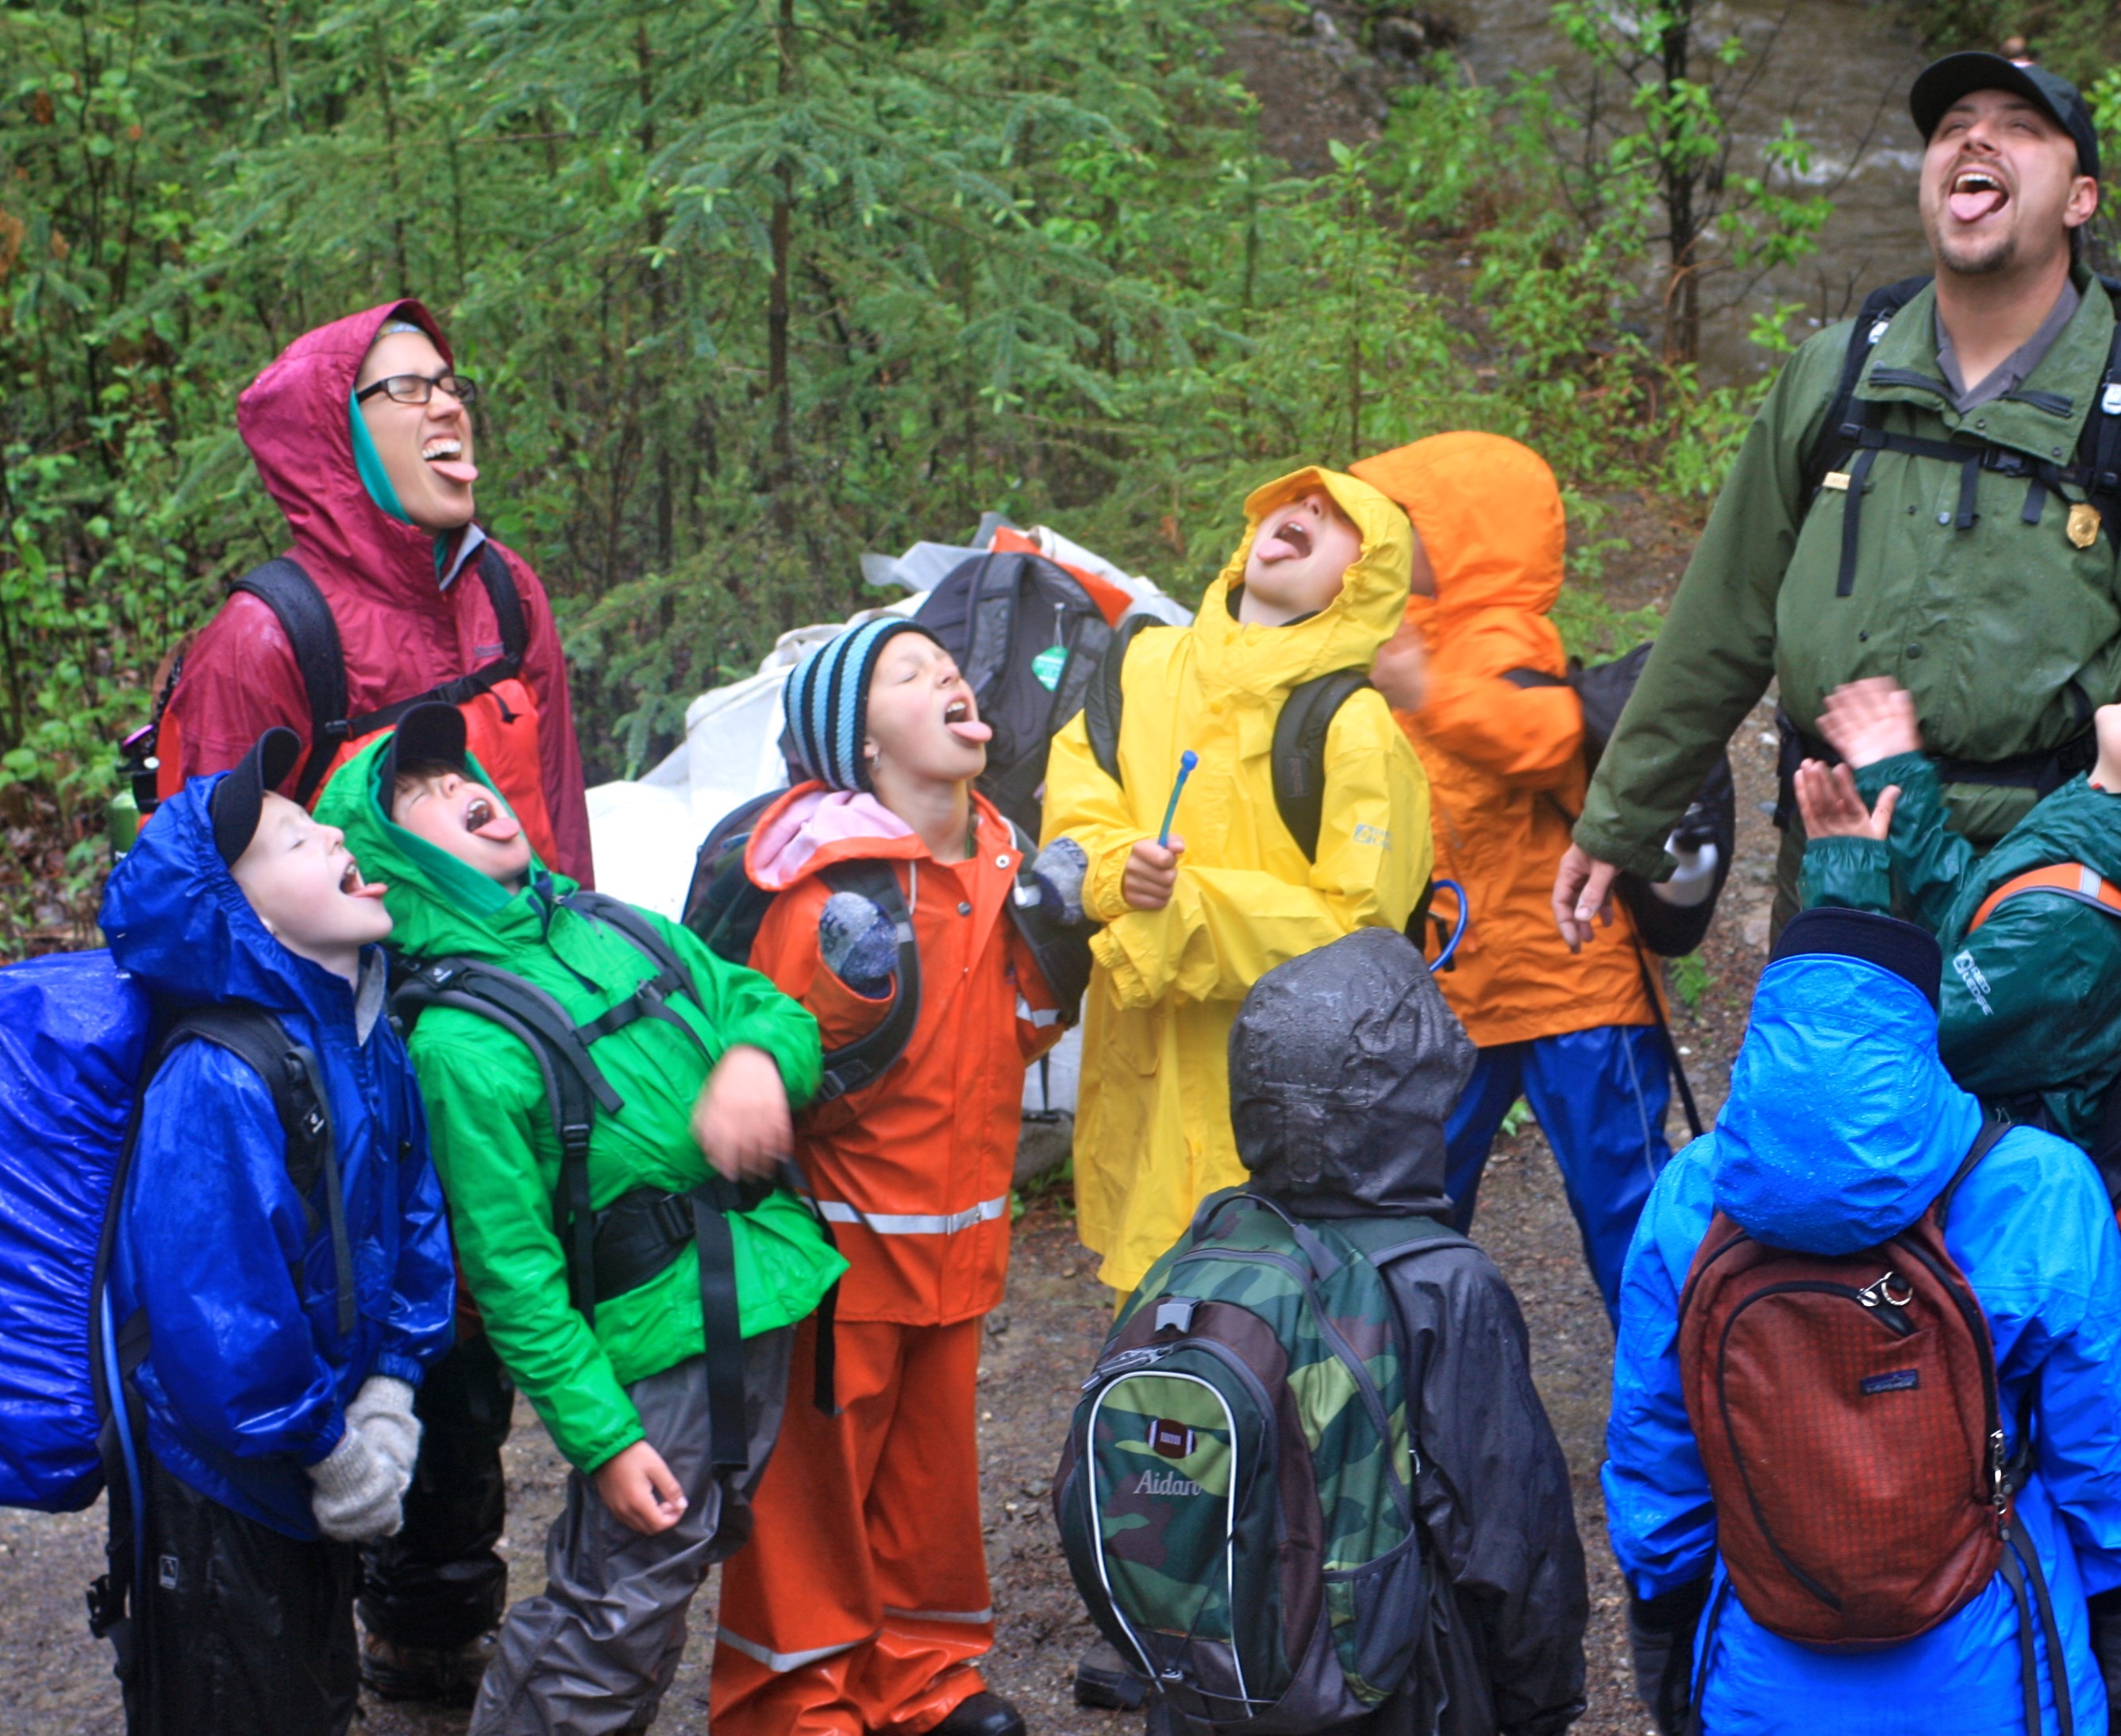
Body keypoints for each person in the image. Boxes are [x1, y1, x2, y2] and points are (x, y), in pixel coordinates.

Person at [1557, 51, 2121, 949]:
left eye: (2020, 127)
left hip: (2037, 906)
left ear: (2080, 198)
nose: (1976, 137)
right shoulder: (1835, 375)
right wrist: (1621, 819)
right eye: (1954, 124)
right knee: (1821, 1091)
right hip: (1831, 868)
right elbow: (1721, 620)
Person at [153, 299, 592, 1703]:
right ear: (335, 435)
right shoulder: (262, 638)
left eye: (452, 381)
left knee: (473, 1360)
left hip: (498, 1052)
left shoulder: (505, 594)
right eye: (404, 390)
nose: (447, 408)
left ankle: (432, 1639)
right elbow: (203, 886)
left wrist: (573, 999)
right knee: (350, 1356)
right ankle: (293, 1651)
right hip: (336, 1079)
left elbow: (556, 824)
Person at [319, 704, 842, 1736]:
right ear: (393, 860)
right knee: (621, 1601)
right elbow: (512, 1275)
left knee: (668, 1570)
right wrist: (603, 1438)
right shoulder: (460, 1045)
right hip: (657, 1342)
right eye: (417, 796)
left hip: (765, 1281)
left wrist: (753, 1060)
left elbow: (765, 1004)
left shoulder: (616, 925)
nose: (460, 789)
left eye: (456, 771)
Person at [1604, 907, 2121, 1736]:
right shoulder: (2039, 1185)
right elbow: (2105, 1464)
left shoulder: (1693, 1195)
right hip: (1997, 1671)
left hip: (1761, 1672)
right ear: (1920, 1036)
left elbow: (1658, 1455)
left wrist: (1663, 1643)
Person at [707, 620, 1066, 1736]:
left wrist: (1082, 933)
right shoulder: (829, 894)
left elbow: (1014, 1032)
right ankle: (794, 1701)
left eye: (948, 662)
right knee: (812, 1501)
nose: (948, 673)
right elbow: (764, 1034)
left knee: (930, 1488)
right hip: (838, 1257)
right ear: (858, 745)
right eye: (909, 673)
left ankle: (925, 1680)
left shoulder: (999, 858)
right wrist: (755, 1063)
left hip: (956, 1249)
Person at [96, 727, 456, 1736]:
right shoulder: (215, 1078)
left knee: (313, 1686)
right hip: (226, 1485)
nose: (335, 832)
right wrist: (331, 1451)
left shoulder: (364, 1037)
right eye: (294, 840)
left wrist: (392, 1385)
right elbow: (220, 1318)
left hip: (317, 1455)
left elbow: (415, 1217)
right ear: (237, 915)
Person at [1042, 467, 1435, 1293]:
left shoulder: (1354, 729)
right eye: (1295, 502)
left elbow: (1360, 940)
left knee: (1264, 1355)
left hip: (1280, 1119)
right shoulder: (1140, 666)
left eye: (1335, 519)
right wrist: (1120, 873)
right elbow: (1077, 803)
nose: (1306, 509)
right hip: (1143, 1099)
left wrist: (1183, 912)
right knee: (1145, 1358)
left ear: (1361, 581)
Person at [1226, 928, 1596, 1734]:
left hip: (1219, 1687)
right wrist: (1543, 1708)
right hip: (1399, 1694)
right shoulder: (1444, 1285)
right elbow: (1514, 1545)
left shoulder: (1210, 1253)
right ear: (1416, 1100)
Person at [1351, 431, 1674, 1321]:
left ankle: (1680, 1411)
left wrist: (1428, 692)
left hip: (1576, 986)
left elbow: (1545, 733)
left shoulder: (1498, 636)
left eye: (1404, 522)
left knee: (1628, 1210)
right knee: (1414, 1202)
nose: (1384, 539)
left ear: (1463, 534)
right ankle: (1407, 1397)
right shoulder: (1403, 637)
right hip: (1461, 989)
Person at [1790, 629, 2121, 1137]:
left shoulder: (2071, 931)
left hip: (1963, 1185)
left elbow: (1887, 1041)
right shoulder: (2099, 844)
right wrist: (1895, 772)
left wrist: (1846, 876)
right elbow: (1973, 907)